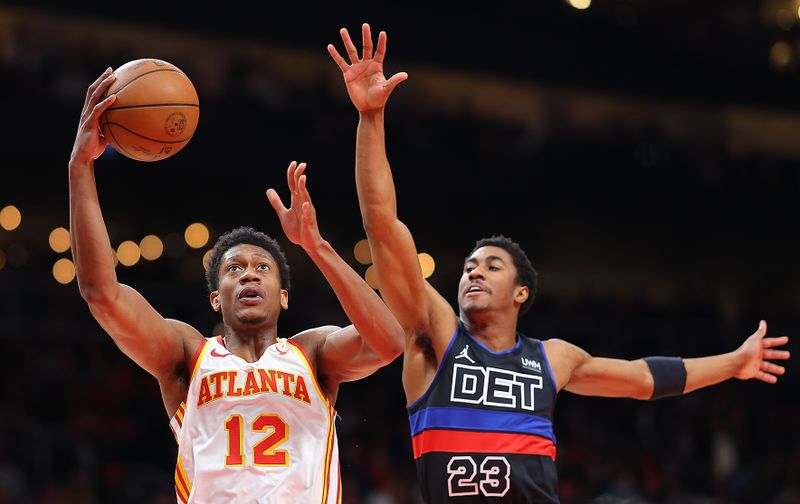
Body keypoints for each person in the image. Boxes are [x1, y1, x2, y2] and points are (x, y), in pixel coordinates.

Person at [327, 24, 792, 503]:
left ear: (521, 291)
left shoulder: (553, 358)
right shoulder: (436, 333)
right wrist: (372, 117)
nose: (473, 272)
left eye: (491, 266)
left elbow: (643, 379)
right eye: (469, 266)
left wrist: (734, 363)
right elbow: (382, 226)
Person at [69, 68, 405, 503]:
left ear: (284, 297)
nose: (249, 273)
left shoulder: (313, 353)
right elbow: (102, 294)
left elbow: (389, 342)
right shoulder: (187, 356)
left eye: (263, 268)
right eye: (234, 269)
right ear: (215, 298)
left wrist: (316, 246)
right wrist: (80, 166)